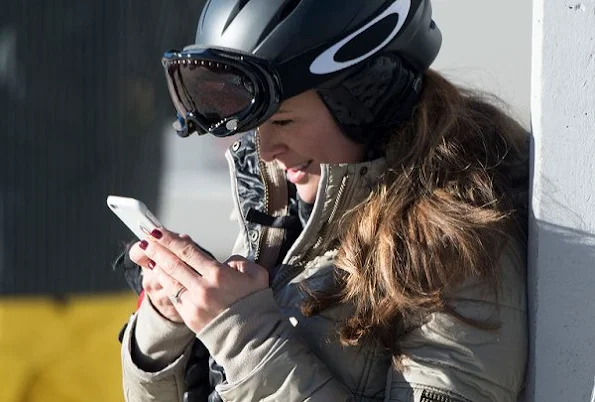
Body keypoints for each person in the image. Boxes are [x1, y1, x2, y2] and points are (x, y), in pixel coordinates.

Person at [118, 0, 529, 401]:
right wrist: (165, 329)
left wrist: (243, 337)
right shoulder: (285, 219)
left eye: (282, 121)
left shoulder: (456, 253)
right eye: (255, 126)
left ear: (369, 101)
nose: (265, 151)